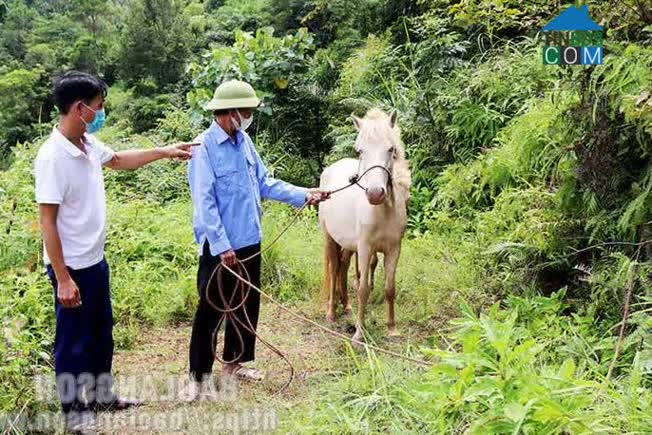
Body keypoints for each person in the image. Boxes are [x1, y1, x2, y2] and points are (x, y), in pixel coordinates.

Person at [35, 71, 197, 433]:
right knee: (73, 343)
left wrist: (165, 152)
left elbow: (120, 159)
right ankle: (75, 412)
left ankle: (103, 396)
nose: (101, 112)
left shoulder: (88, 144)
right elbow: (47, 222)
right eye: (98, 106)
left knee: (100, 334)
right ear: (80, 109)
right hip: (71, 267)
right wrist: (62, 278)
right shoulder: (52, 158)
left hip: (95, 261)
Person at [183, 80, 330, 400]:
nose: (249, 115)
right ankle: (198, 378)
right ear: (229, 112)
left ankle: (235, 364)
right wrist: (222, 246)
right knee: (211, 309)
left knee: (245, 307)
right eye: (246, 110)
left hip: (249, 240)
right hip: (220, 248)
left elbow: (265, 182)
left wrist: (305, 194)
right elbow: (204, 203)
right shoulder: (203, 148)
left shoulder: (244, 141)